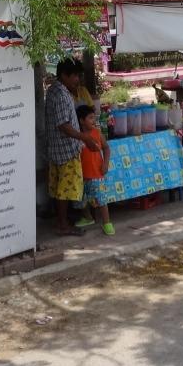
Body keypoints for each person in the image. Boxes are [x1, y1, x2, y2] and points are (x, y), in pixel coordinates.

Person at [45, 58, 90, 236]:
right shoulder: (62, 95)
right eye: (75, 76)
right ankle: (63, 225)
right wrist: (84, 137)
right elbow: (63, 125)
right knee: (64, 190)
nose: (77, 80)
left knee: (59, 189)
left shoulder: (54, 90)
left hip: (56, 149)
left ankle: (62, 221)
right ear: (64, 75)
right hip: (66, 150)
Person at [75, 104, 114, 236]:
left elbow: (106, 148)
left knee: (101, 199)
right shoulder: (77, 136)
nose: (94, 120)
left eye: (94, 118)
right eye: (90, 118)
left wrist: (105, 164)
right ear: (81, 120)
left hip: (96, 173)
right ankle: (88, 218)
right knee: (81, 199)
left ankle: (107, 222)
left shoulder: (97, 133)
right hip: (81, 175)